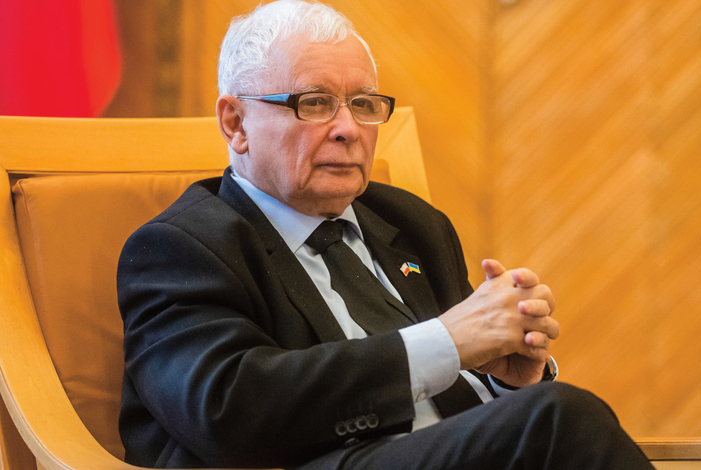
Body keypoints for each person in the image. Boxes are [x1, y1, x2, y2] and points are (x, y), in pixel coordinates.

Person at [117, 1, 655, 469]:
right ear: (236, 123)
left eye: (363, 104)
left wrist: (504, 380)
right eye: (314, 103)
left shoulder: (413, 224)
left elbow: (465, 399)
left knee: (549, 415)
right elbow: (223, 409)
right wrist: (448, 343)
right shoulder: (181, 248)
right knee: (556, 420)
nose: (348, 129)